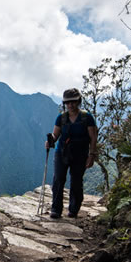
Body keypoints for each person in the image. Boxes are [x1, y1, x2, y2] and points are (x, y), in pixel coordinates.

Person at [45, 88, 97, 218]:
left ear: (78, 101)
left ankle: (73, 209)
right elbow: (56, 135)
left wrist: (92, 155)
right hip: (62, 152)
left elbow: (93, 137)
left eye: (73, 102)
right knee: (58, 179)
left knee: (76, 181)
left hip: (80, 154)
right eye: (68, 103)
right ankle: (56, 209)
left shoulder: (87, 118)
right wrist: (50, 140)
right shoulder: (61, 118)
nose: (70, 105)